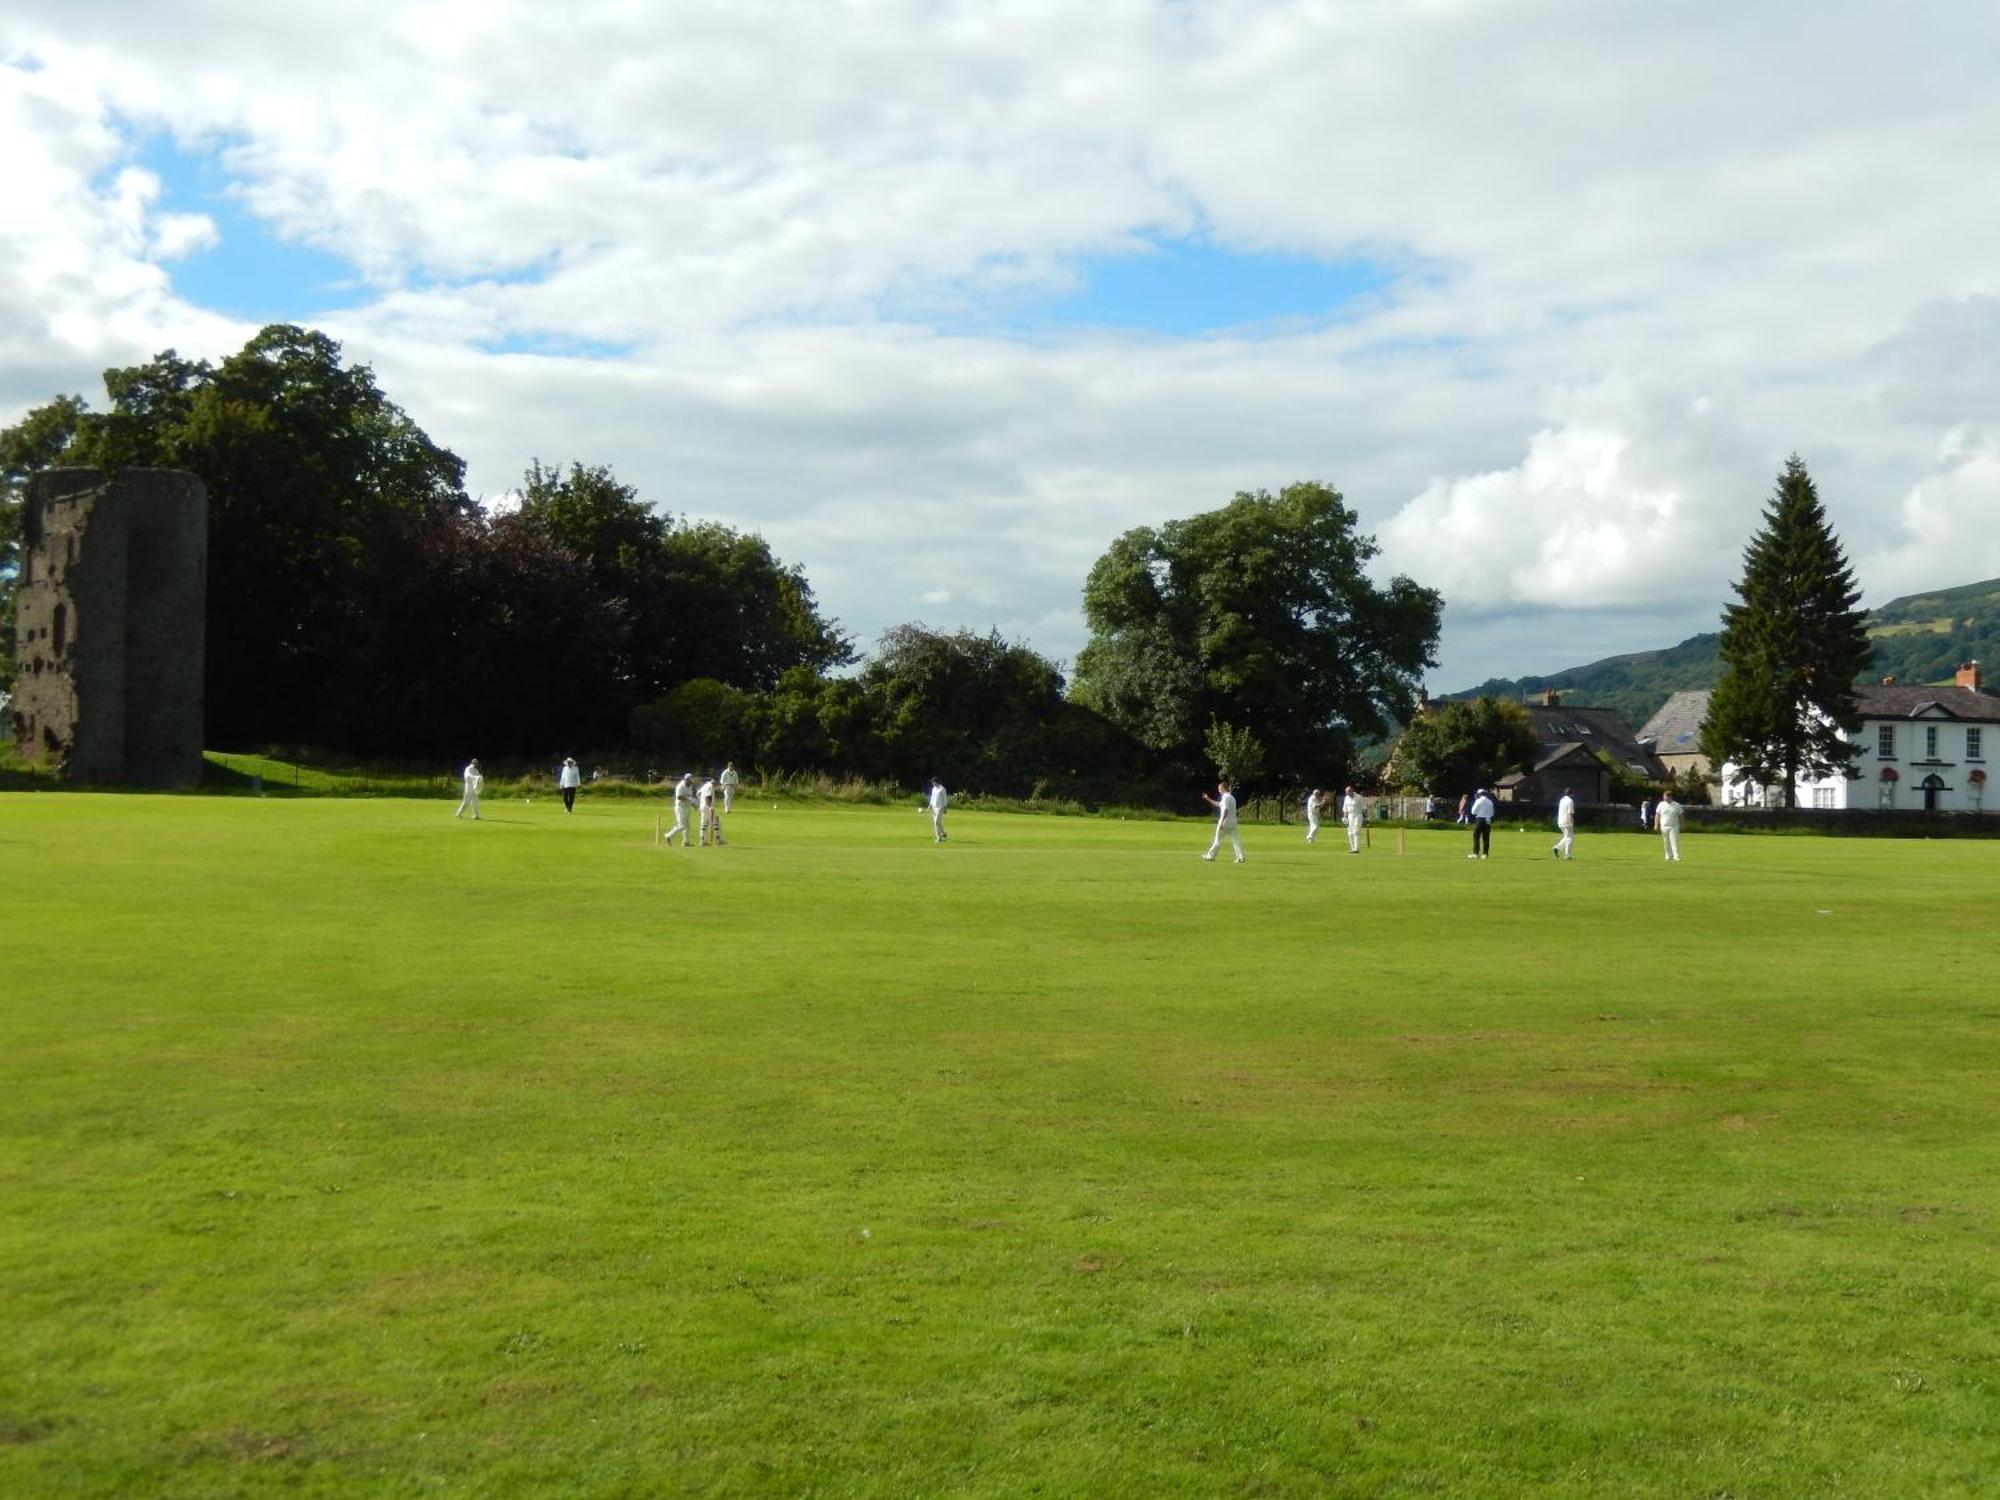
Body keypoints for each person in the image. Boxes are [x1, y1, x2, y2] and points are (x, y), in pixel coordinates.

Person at [1202, 779, 1244, 863]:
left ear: (1223, 788)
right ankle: (1240, 857)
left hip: (1225, 822)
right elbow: (1219, 804)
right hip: (1233, 823)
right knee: (1236, 841)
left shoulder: (1225, 797)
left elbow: (1225, 810)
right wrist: (1208, 798)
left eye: (1219, 788)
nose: (1218, 790)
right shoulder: (1231, 797)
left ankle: (1210, 856)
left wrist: (1221, 822)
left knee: (1217, 840)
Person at [666, 772, 694, 847]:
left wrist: (693, 803)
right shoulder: (680, 786)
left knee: (688, 825)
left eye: (691, 780)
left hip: (687, 807)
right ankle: (669, 836)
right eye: (689, 780)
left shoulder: (690, 786)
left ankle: (686, 842)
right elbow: (679, 797)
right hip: (680, 807)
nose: (691, 782)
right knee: (682, 826)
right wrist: (688, 798)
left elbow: (690, 796)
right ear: (686, 779)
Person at [1657, 788, 1684, 861]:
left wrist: (1682, 825)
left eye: (1665, 796)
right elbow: (1658, 815)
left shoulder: (1677, 805)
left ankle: (1676, 856)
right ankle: (1668, 855)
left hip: (1674, 826)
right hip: (1664, 826)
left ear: (1670, 797)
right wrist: (1656, 825)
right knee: (1666, 842)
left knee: (1674, 841)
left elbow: (1681, 816)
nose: (1663, 798)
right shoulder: (1661, 804)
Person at [1467, 787, 1495, 858]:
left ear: (1479, 794)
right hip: (1488, 820)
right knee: (1486, 837)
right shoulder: (1490, 801)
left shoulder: (1478, 801)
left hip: (1479, 819)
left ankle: (1475, 853)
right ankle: (1485, 854)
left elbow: (1473, 812)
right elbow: (1492, 813)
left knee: (1476, 836)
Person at [698, 775, 725, 846]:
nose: (717, 784)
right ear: (714, 781)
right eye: (717, 782)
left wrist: (701, 801)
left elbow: (698, 793)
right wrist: (710, 807)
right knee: (716, 822)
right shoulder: (710, 787)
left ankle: (702, 841)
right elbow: (707, 797)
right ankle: (718, 840)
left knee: (704, 823)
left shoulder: (706, 785)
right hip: (708, 807)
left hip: (703, 806)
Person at [1552, 787, 1576, 860]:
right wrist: (1572, 823)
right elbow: (1570, 813)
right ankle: (1567, 855)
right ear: (1571, 794)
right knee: (1570, 838)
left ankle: (1557, 848)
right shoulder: (1570, 801)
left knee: (1566, 837)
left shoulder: (1561, 800)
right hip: (1567, 821)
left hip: (1560, 821)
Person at [1341, 785, 1366, 854]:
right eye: (1346, 792)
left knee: (1356, 831)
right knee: (1350, 832)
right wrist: (1345, 817)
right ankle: (1352, 848)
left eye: (1348, 792)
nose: (1347, 794)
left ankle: (1356, 848)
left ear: (1352, 791)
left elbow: (1363, 808)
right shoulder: (1346, 798)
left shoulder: (1359, 797)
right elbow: (1345, 809)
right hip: (1350, 816)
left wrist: (1366, 817)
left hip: (1358, 815)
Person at [927, 777, 950, 842]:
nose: (932, 784)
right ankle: (943, 833)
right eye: (932, 782)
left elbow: (945, 799)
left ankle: (939, 838)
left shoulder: (942, 789)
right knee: (937, 822)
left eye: (933, 782)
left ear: (936, 782)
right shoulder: (933, 789)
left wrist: (945, 808)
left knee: (936, 821)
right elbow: (932, 798)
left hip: (940, 807)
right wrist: (930, 805)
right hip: (934, 807)